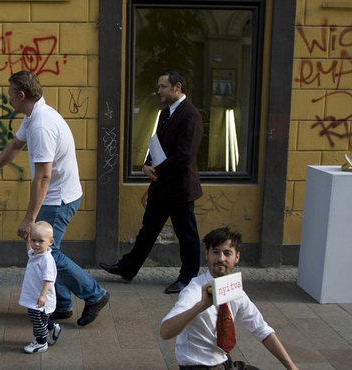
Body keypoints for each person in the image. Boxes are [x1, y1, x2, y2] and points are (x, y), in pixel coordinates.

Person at [0, 70, 109, 326]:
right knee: (48, 251)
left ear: (22, 95)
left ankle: (95, 295)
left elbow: (43, 178)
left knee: (46, 252)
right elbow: (16, 145)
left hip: (58, 199)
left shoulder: (41, 125)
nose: (8, 100)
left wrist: (29, 220)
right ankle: (61, 304)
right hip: (58, 194)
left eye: (10, 96)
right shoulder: (34, 115)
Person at [100, 69, 203, 293]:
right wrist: (147, 165)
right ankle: (128, 268)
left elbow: (185, 155)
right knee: (148, 229)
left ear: (178, 87)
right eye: (159, 87)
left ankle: (188, 278)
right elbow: (157, 143)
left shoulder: (191, 115)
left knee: (186, 234)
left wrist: (159, 170)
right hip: (161, 185)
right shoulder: (166, 113)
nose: (159, 91)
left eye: (163, 87)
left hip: (180, 188)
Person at [160, 227, 299, 370]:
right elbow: (165, 332)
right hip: (198, 366)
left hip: (224, 362)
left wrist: (292, 367)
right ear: (207, 254)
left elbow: (261, 330)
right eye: (216, 252)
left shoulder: (233, 289)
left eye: (227, 253)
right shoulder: (194, 291)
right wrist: (200, 306)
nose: (221, 259)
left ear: (237, 257)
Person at [19, 221, 61, 353]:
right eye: (34, 240)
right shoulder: (36, 254)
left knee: (36, 317)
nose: (36, 244)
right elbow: (29, 250)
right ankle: (53, 327)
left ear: (50, 241)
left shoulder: (46, 260)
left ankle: (41, 342)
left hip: (41, 296)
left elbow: (48, 279)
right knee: (41, 317)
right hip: (34, 294)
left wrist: (43, 295)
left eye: (41, 241)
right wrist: (27, 240)